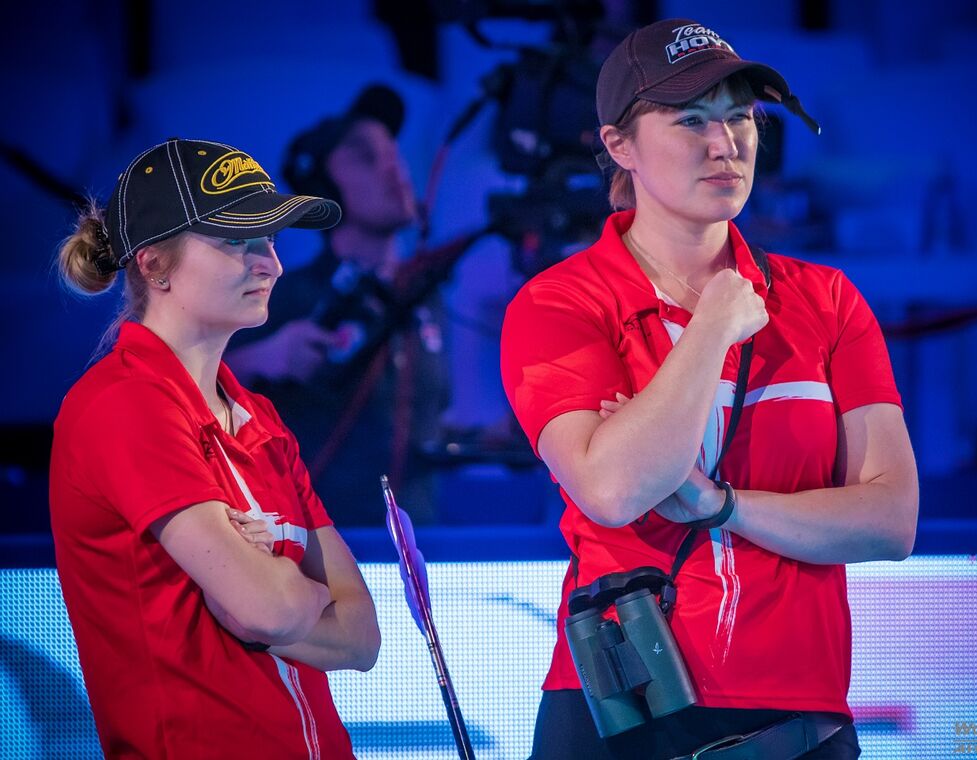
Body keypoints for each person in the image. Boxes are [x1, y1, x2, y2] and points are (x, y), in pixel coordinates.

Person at [499, 18, 919, 760]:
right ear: (619, 145)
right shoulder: (558, 303)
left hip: (798, 713)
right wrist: (713, 326)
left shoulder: (827, 299)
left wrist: (720, 505)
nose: (725, 143)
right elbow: (613, 489)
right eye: (691, 120)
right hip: (623, 707)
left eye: (740, 118)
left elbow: (891, 520)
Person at [50, 137, 380, 758]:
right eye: (236, 240)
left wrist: (275, 597)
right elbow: (265, 609)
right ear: (154, 265)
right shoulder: (123, 404)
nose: (271, 265)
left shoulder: (261, 418)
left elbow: (362, 636)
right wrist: (305, 596)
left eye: (270, 240)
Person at [226, 84, 451, 526]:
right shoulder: (285, 295)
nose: (394, 167)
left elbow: (431, 416)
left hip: (422, 546)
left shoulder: (427, 297)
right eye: (366, 157)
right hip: (327, 548)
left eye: (394, 153)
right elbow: (183, 393)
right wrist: (265, 356)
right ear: (324, 188)